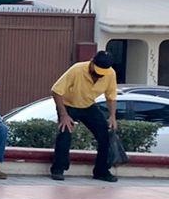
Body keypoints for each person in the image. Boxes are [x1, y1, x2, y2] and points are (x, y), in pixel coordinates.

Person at [50, 51, 119, 183]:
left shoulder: (110, 73)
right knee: (65, 133)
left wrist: (112, 116)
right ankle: (58, 169)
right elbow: (56, 91)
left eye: (102, 73)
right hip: (68, 105)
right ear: (92, 61)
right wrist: (64, 115)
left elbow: (111, 97)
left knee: (104, 134)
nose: (98, 75)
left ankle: (101, 171)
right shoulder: (77, 69)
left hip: (88, 106)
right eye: (97, 70)